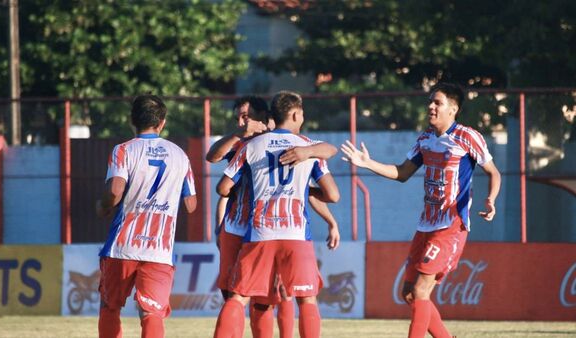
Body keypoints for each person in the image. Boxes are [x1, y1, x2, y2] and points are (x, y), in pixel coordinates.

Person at [341, 82, 501, 338]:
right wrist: (367, 163)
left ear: (453, 109)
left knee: (421, 291)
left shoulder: (468, 137)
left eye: (437, 102)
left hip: (451, 225)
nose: (431, 106)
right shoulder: (425, 138)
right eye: (430, 101)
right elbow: (403, 173)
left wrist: (491, 199)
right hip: (425, 225)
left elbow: (493, 172)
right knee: (408, 292)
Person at [206, 95, 340, 338]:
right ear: (296, 115)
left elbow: (222, 188)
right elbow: (332, 190)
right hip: (271, 230)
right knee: (302, 297)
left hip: (258, 231)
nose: (241, 122)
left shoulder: (253, 147)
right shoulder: (301, 145)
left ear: (266, 117)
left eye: (245, 116)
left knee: (247, 296)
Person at [95, 94, 197, 338]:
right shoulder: (180, 155)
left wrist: (103, 205)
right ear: (162, 123)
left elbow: (115, 192)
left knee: (110, 306)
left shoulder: (123, 150)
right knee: (151, 313)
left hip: (123, 246)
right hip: (159, 249)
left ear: (132, 120)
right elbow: (191, 204)